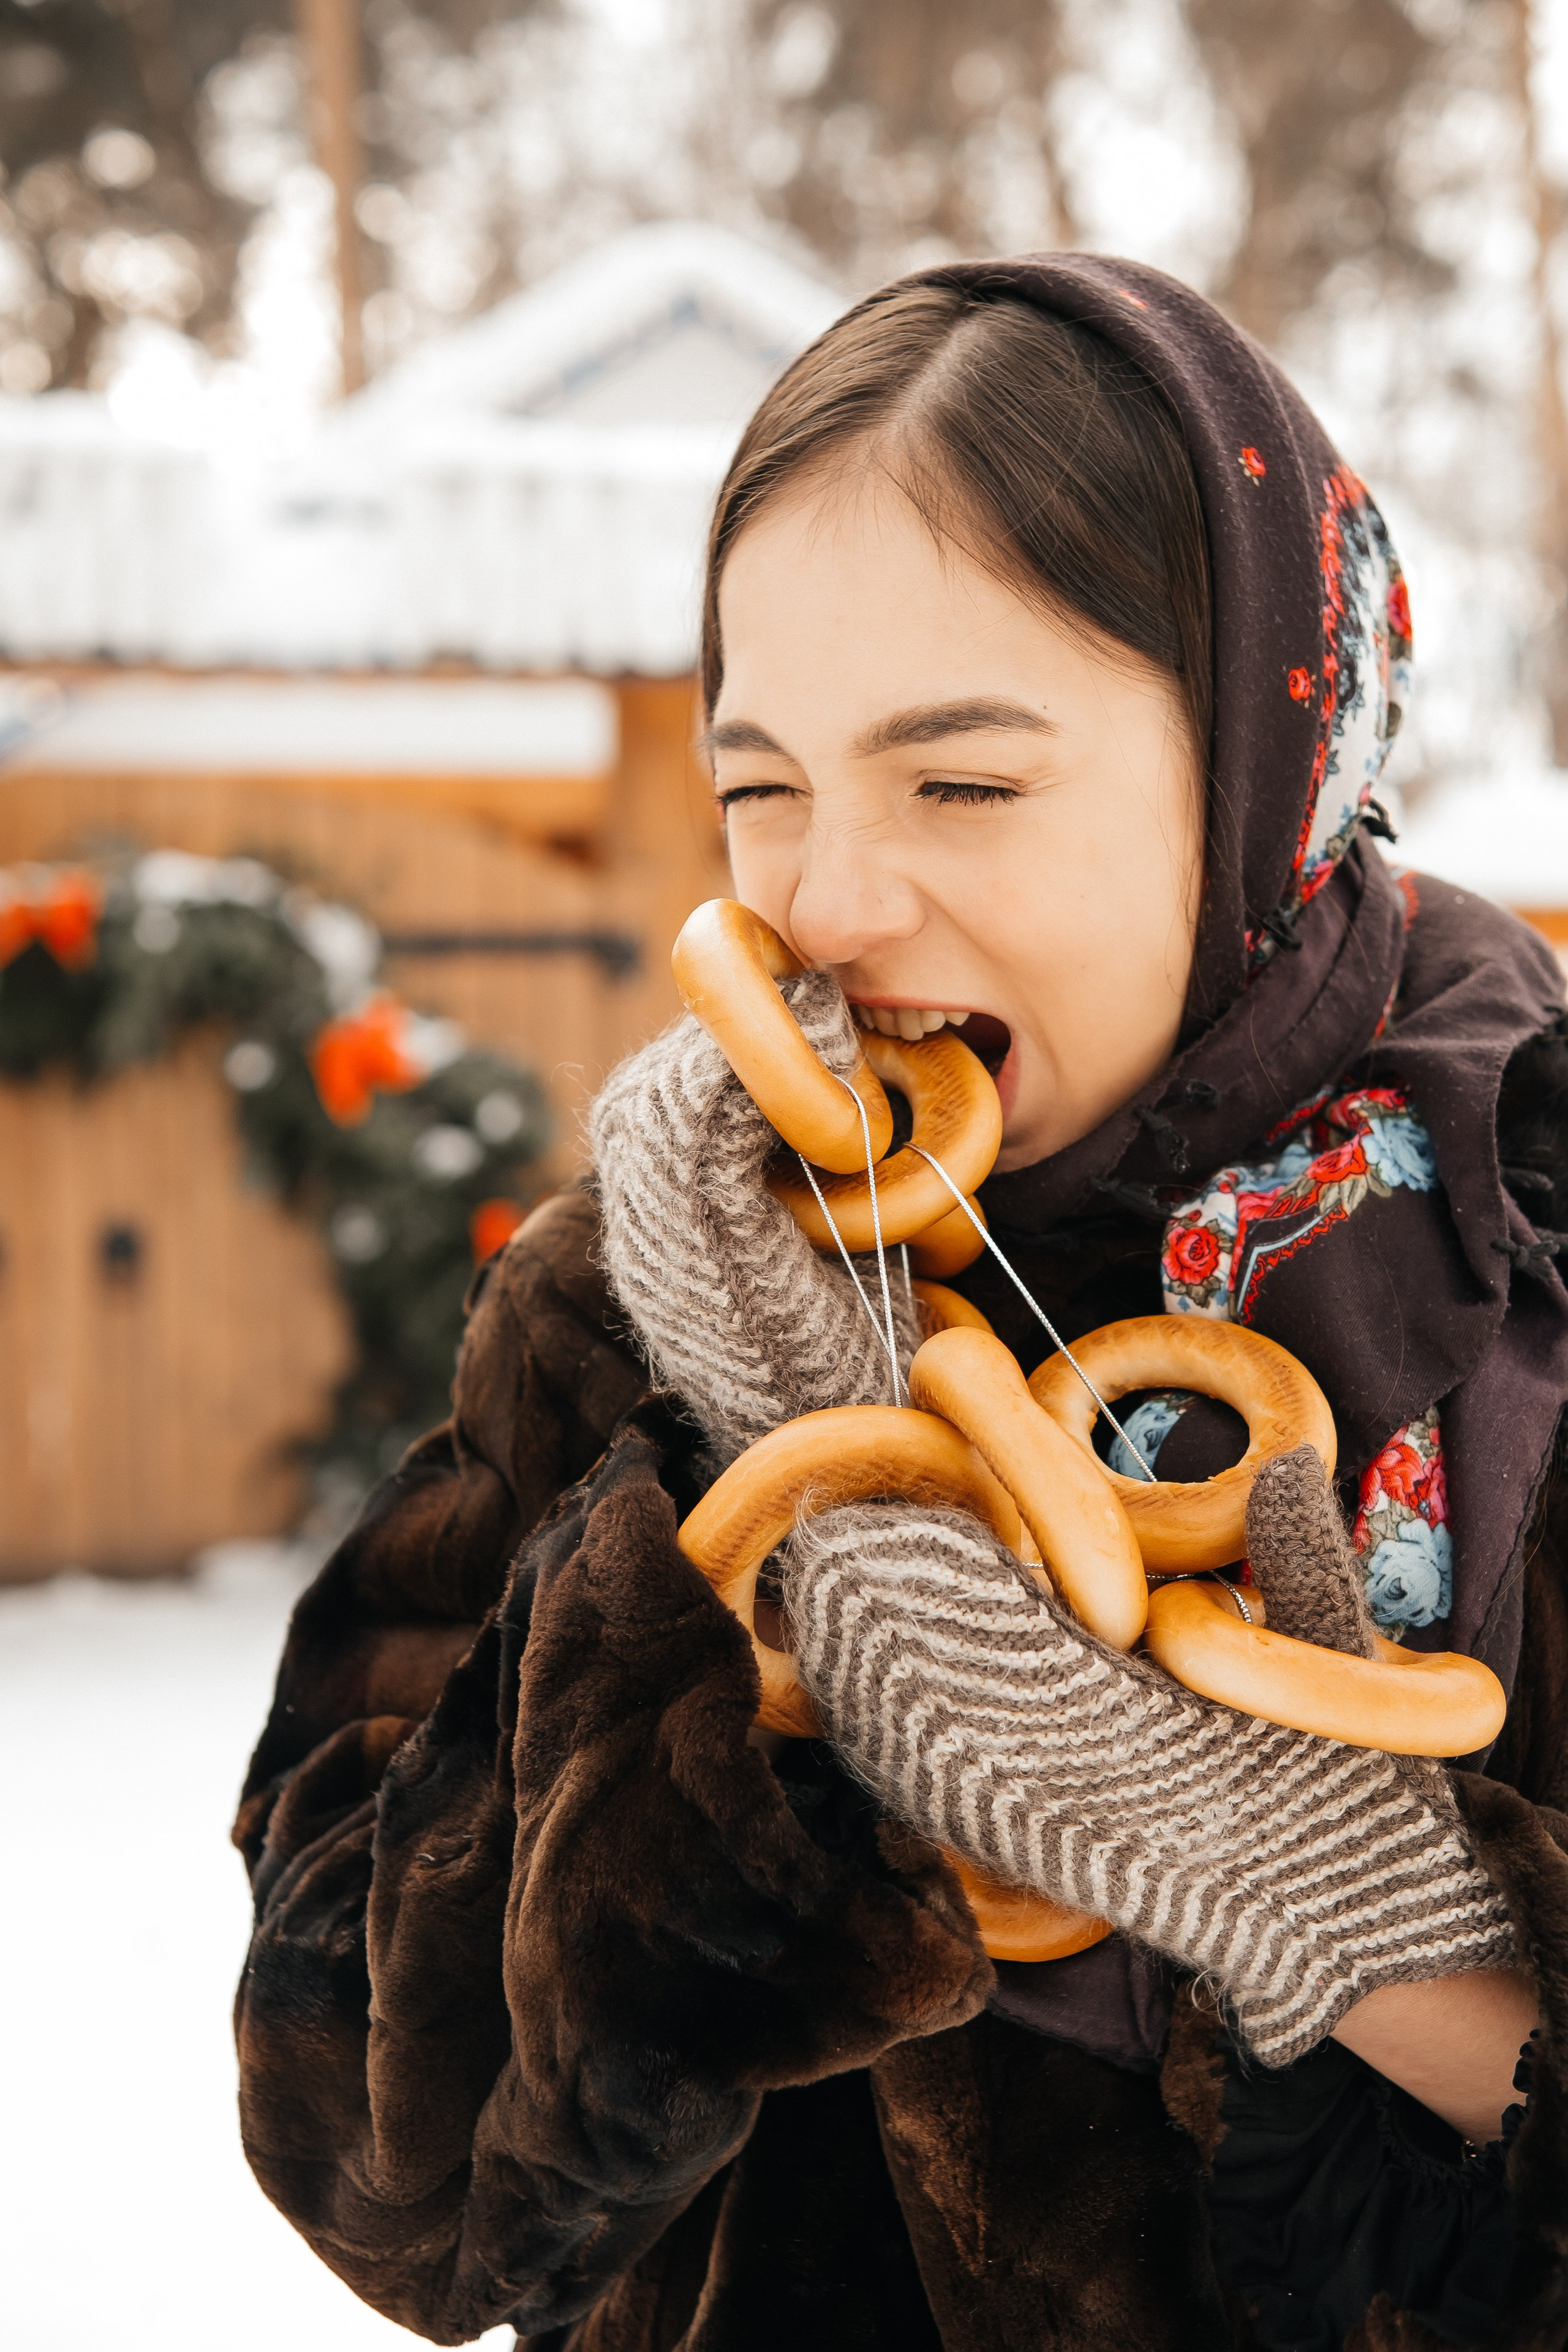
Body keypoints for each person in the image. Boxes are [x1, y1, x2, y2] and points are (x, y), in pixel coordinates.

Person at [232, 256, 1568, 2352]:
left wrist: (1255, 1860)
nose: (827, 906)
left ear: (1262, 768)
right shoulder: (631, 1283)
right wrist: (741, 1696)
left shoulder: (1526, 1272)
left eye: (962, 783)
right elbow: (376, 2176)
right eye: (760, 784)